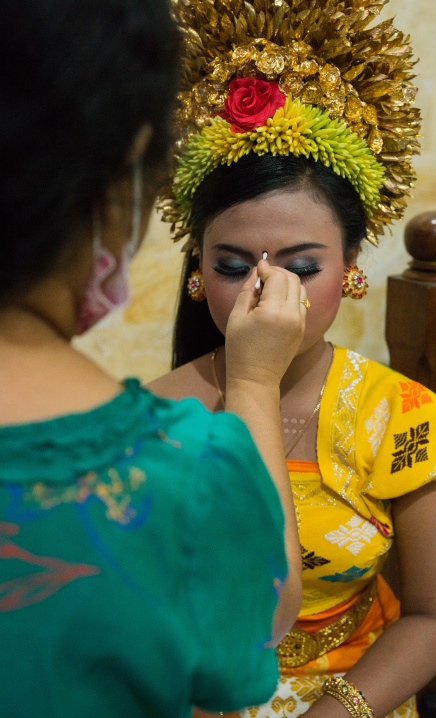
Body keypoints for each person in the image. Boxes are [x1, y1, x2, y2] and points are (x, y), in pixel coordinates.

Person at [150, 1, 436, 716]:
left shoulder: (404, 421)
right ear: (196, 270)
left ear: (351, 269)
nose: (264, 290)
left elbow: (434, 616)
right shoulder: (150, 417)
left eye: (301, 266)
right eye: (232, 264)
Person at [0, 1, 307, 716]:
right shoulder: (184, 467)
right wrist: (255, 381)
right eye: (231, 263)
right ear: (121, 188)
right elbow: (266, 605)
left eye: (301, 265)